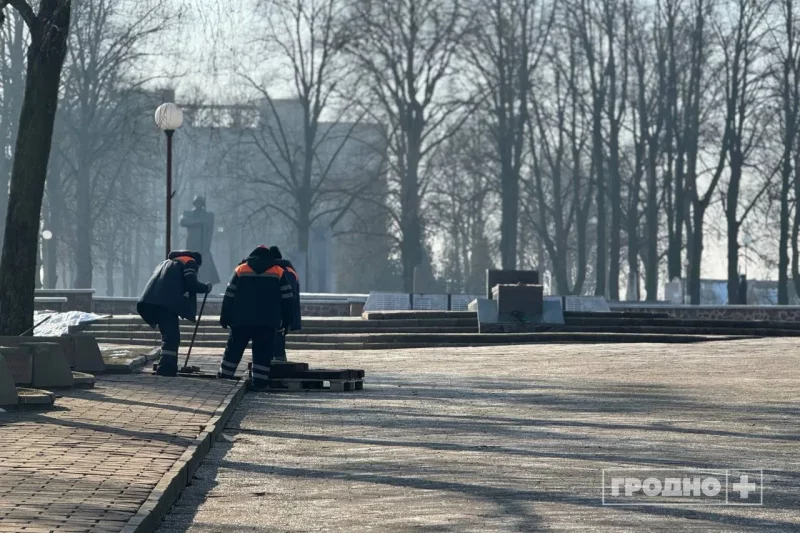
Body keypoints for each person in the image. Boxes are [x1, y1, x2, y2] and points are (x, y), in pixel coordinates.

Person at [218, 245, 294, 389]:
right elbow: (287, 298)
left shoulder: (241, 270)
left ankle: (225, 377)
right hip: (267, 321)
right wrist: (287, 320)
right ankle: (259, 382)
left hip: (241, 319)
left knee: (234, 349)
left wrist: (225, 317)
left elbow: (229, 296)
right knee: (263, 352)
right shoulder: (278, 271)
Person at [137, 251, 212, 376]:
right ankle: (166, 368)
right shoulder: (190, 262)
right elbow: (191, 284)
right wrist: (206, 287)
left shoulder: (168, 262)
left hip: (153, 302)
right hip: (166, 304)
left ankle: (166, 365)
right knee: (171, 337)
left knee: (168, 335)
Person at [269, 246, 302, 361]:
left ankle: (272, 360)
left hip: (272, 308)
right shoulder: (290, 270)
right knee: (280, 334)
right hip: (286, 308)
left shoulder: (271, 270)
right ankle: (280, 358)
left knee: (271, 335)